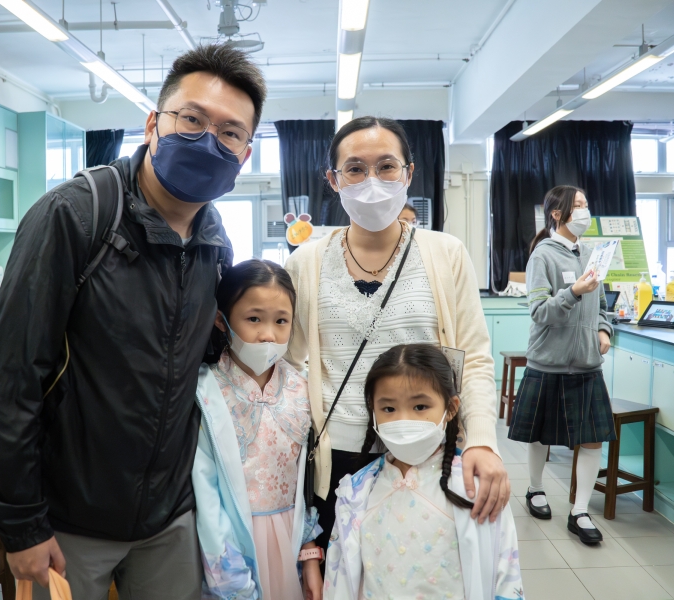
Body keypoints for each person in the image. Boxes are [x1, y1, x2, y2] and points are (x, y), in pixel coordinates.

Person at [0, 44, 267, 599]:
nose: (209, 140)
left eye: (229, 132)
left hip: (171, 519)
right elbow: (11, 380)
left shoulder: (213, 240)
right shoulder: (76, 216)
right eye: (192, 119)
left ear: (244, 154)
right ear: (153, 125)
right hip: (69, 521)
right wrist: (20, 524)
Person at [285, 116, 509, 552]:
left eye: (387, 166)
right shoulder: (305, 263)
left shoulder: (446, 253)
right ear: (333, 180)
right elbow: (290, 368)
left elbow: (475, 358)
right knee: (339, 576)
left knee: (420, 574)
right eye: (355, 168)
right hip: (336, 457)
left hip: (427, 449)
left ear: (408, 173)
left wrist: (482, 440)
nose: (372, 181)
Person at [324, 344, 524, 600]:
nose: (403, 420)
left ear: (451, 408)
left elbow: (505, 573)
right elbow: (339, 578)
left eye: (420, 407)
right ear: (373, 411)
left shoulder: (475, 487)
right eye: (388, 409)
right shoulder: (356, 493)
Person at [192, 260, 323, 599]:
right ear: (221, 319)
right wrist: (230, 580)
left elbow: (305, 483)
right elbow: (205, 493)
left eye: (281, 321)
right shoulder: (206, 391)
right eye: (254, 319)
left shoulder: (303, 389)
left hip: (289, 541)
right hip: (230, 546)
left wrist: (309, 555)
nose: (268, 334)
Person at [508, 185, 615, 545]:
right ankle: (535, 488)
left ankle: (579, 511)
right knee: (540, 434)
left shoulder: (592, 255)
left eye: (586, 204)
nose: (585, 211)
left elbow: (602, 305)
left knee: (592, 440)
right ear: (558, 214)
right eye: (578, 205)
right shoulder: (542, 256)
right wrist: (573, 293)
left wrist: (603, 329)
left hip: (587, 364)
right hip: (548, 363)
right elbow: (540, 312)